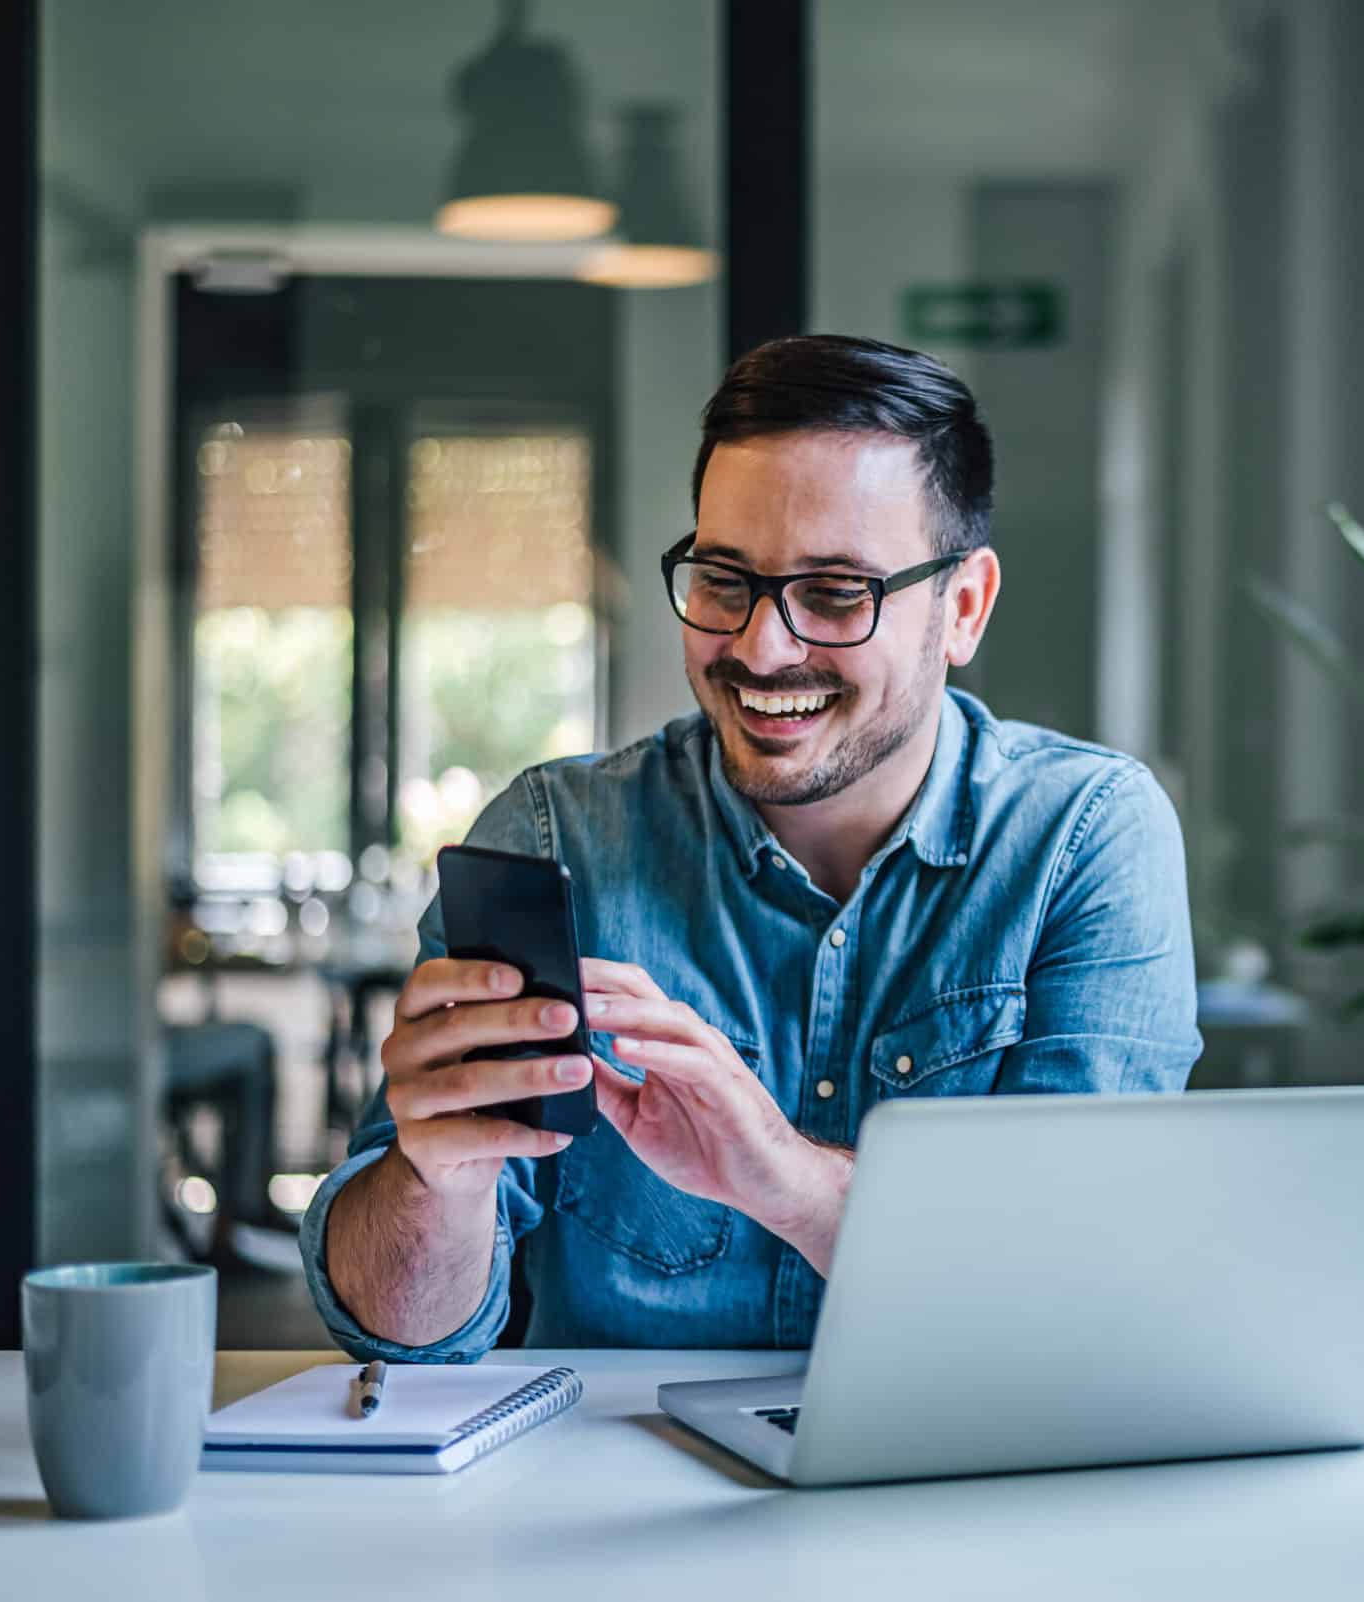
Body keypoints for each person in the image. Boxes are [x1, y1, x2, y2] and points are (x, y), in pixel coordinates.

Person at [300, 335, 1201, 1356]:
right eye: (725, 580)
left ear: (963, 608)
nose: (762, 649)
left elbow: (1074, 1294)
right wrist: (438, 1180)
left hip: (973, 1487)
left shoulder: (1084, 840)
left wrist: (775, 1168)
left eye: (835, 593)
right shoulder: (557, 841)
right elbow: (397, 1339)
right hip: (618, 1500)